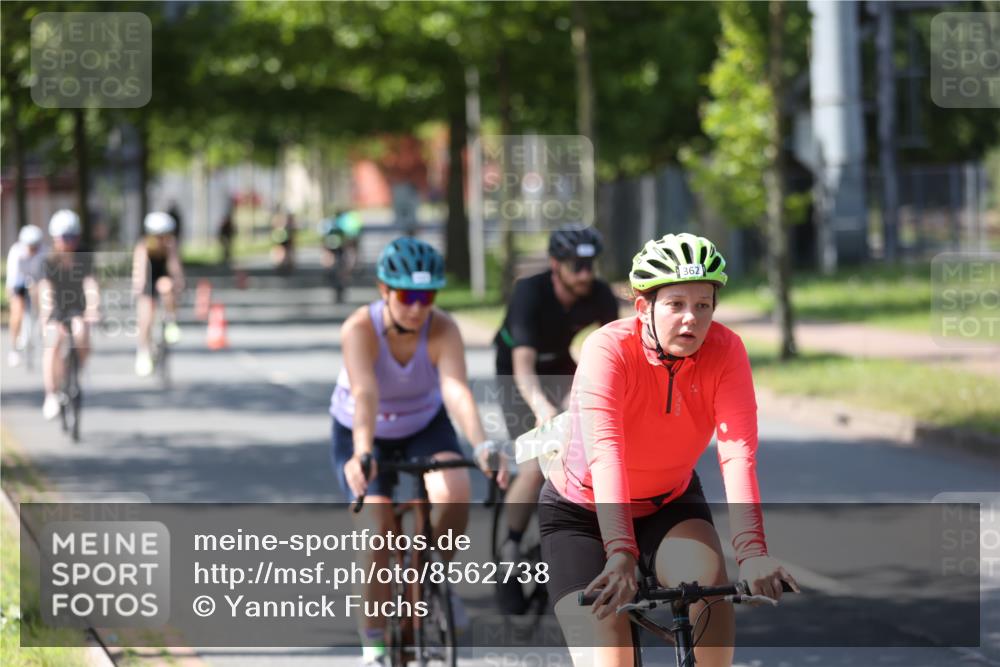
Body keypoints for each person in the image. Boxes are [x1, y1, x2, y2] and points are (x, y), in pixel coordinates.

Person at [535, 233, 798, 667]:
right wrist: (620, 551)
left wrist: (752, 553)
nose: (691, 319)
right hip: (581, 513)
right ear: (644, 308)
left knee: (709, 595)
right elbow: (607, 454)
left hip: (667, 504)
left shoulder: (727, 350)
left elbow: (736, 453)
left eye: (703, 305)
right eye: (676, 304)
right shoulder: (608, 349)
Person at [329, 237, 506, 667]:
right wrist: (363, 452)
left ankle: (432, 578)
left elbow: (455, 389)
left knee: (455, 489)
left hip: (425, 424)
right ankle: (372, 641)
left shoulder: (442, 328)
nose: (417, 306)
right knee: (377, 530)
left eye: (428, 295)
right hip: (363, 428)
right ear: (384, 290)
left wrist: (482, 443)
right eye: (407, 295)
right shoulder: (359, 328)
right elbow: (366, 393)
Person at [492, 224, 618, 613]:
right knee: (535, 464)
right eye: (575, 265)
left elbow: (614, 353)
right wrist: (543, 412)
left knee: (595, 449)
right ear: (554, 265)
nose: (585, 273)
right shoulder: (531, 292)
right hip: (519, 374)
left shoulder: (600, 295)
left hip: (563, 367)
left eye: (590, 264)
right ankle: (510, 548)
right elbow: (523, 365)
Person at [39, 210, 101, 420]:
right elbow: (45, 290)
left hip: (78, 307)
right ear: (56, 238)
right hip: (56, 307)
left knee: (82, 333)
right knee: (53, 342)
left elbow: (90, 283)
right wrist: (47, 316)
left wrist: (93, 307)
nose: (70, 242)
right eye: (65, 237)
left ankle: (76, 370)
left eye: (73, 237)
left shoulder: (84, 256)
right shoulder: (48, 261)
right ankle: (51, 394)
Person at [132, 211, 186, 377]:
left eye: (165, 236)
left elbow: (175, 268)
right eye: (158, 236)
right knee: (146, 316)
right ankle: (143, 351)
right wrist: (138, 287)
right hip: (148, 279)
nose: (161, 240)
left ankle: (171, 320)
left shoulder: (170, 246)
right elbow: (139, 270)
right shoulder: (143, 247)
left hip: (163, 277)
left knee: (166, 286)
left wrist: (179, 283)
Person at [5, 224, 47, 367]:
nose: (33, 249)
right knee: (17, 311)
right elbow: (13, 280)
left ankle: (43, 332)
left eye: (36, 246)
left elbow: (47, 276)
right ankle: (14, 348)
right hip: (19, 283)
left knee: (45, 303)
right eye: (30, 246)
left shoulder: (44, 252)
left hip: (37, 282)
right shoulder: (16, 252)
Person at [319, 208, 364, 303]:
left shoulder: (329, 223)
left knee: (332, 260)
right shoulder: (343, 223)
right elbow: (348, 237)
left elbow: (323, 237)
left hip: (334, 248)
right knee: (343, 265)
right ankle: (343, 277)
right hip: (339, 248)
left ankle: (330, 272)